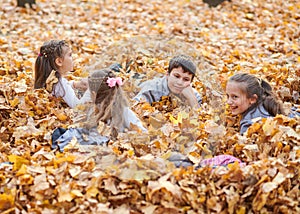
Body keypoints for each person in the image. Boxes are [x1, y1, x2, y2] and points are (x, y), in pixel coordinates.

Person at [52, 68, 147, 152]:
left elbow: (142, 134)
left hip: (113, 148)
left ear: (93, 94)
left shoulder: (122, 111)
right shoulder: (123, 111)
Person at [225, 73, 299, 135]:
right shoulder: (265, 103)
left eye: (235, 97)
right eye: (228, 96)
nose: (229, 102)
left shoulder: (249, 125)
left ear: (252, 99)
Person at [34, 40, 91, 108]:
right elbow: (77, 106)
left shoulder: (50, 80)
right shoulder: (61, 84)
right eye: (70, 55)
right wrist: (90, 90)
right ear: (59, 61)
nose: (73, 58)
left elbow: (60, 90)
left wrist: (74, 84)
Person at [133, 54, 202, 108]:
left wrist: (191, 99)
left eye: (186, 79)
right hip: (138, 83)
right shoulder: (152, 90)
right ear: (167, 74)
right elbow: (134, 107)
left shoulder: (195, 96)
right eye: (176, 76)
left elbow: (201, 119)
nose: (180, 82)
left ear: (191, 82)